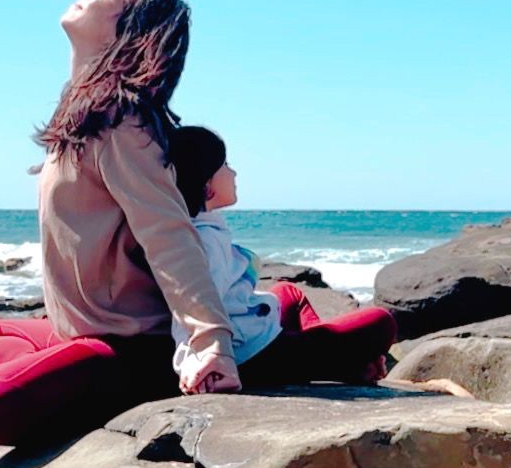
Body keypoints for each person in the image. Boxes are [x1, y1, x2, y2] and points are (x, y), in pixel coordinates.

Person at [0, 0, 240, 446]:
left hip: (128, 342)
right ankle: (63, 373)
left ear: (126, 32)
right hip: (78, 331)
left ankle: (282, 348)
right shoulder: (84, 109)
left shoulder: (123, 122)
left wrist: (211, 342)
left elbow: (169, 234)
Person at [168, 125, 397, 386]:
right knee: (380, 321)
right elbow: (192, 305)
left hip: (254, 335)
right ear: (207, 186)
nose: (234, 172)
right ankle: (340, 365)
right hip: (254, 356)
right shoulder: (206, 241)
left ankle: (335, 362)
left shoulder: (198, 225)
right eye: (226, 164)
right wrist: (198, 361)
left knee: (288, 292)